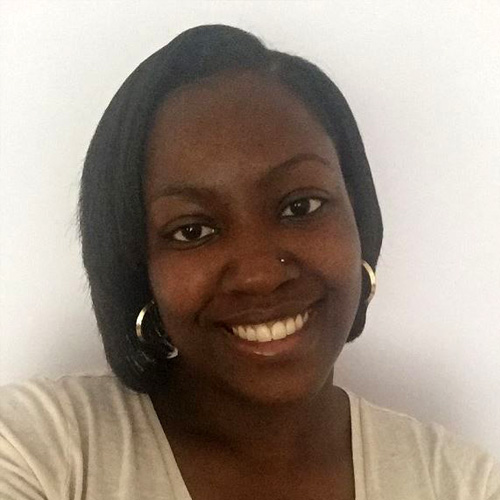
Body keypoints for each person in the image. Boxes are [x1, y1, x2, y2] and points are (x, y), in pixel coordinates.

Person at [0, 24, 498, 500]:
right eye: (192, 231)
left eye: (300, 206)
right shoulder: (39, 451)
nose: (260, 274)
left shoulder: (465, 483)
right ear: (139, 268)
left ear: (360, 222)